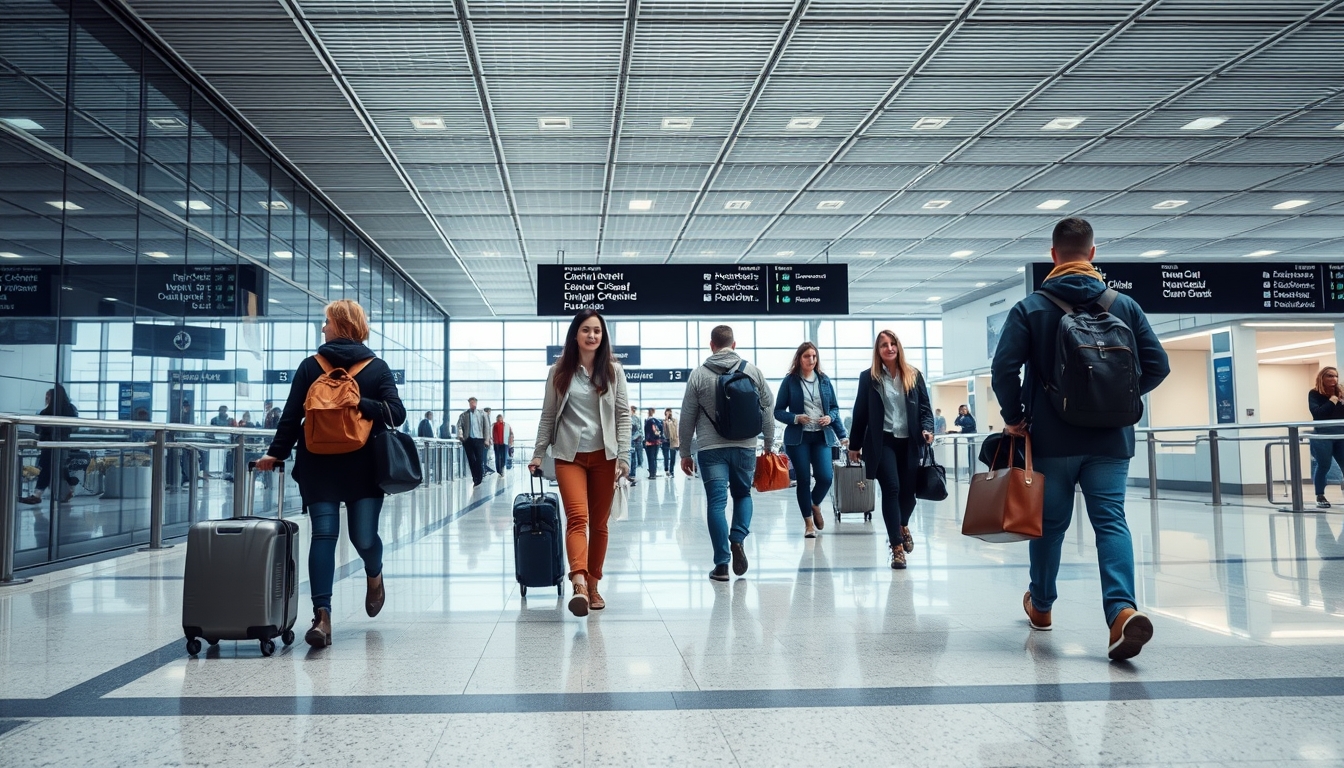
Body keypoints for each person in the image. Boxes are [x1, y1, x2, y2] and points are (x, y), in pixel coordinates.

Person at [991, 217, 1170, 660]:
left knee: (1050, 526)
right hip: (1111, 440)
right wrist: (1118, 399)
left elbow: (1003, 370)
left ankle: (1043, 605)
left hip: (1051, 439)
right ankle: (1121, 612)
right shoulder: (1123, 305)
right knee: (1110, 521)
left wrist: (1015, 417)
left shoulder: (1030, 308)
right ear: (1092, 254)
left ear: (1053, 256)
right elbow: (1158, 364)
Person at [256, 299, 406, 649]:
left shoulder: (376, 368)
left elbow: (396, 413)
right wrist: (275, 454)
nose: (323, 327)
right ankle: (321, 615)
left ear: (341, 324)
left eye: (327, 322)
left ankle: (374, 573)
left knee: (363, 538)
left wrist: (358, 403)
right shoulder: (310, 367)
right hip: (320, 465)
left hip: (363, 465)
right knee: (323, 534)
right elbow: (291, 416)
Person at [530, 309, 631, 617]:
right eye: (586, 330)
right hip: (568, 456)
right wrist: (537, 453)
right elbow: (548, 415)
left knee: (599, 524)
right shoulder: (559, 371)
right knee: (577, 518)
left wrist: (623, 457)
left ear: (603, 337)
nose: (592, 335)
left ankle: (594, 582)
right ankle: (579, 583)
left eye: (597, 331)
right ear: (575, 334)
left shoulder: (613, 371)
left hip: (605, 456)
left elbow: (624, 415)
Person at [679, 325, 775, 582]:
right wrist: (768, 442)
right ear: (734, 345)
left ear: (711, 345)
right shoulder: (752, 371)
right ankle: (738, 539)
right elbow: (767, 406)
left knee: (717, 503)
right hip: (745, 446)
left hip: (711, 450)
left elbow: (687, 415)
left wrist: (685, 452)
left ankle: (722, 565)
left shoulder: (699, 375)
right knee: (743, 494)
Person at [848, 330, 934, 569]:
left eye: (893, 343)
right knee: (892, 489)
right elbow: (860, 413)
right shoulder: (869, 378)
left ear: (898, 347)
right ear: (878, 350)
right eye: (884, 345)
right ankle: (896, 547)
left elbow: (926, 408)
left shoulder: (913, 375)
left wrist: (928, 429)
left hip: (910, 442)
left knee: (909, 494)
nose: (889, 347)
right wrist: (854, 445)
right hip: (882, 441)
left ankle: (902, 524)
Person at [775, 342, 846, 538]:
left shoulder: (824, 380)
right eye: (807, 356)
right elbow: (778, 411)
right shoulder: (789, 381)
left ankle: (814, 504)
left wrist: (832, 421)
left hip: (821, 435)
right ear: (799, 358)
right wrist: (796, 418)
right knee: (804, 479)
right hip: (799, 438)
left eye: (814, 356)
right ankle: (808, 524)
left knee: (825, 477)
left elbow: (834, 408)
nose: (811, 360)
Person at [19, 385, 80, 506]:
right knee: (58, 467)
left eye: (48, 396)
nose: (46, 398)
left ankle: (37, 494)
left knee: (46, 468)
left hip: (49, 444)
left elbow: (39, 428)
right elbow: (74, 427)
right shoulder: (70, 409)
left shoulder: (47, 411)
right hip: (63, 443)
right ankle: (69, 485)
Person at [1309, 366, 1344, 509]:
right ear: (1322, 377)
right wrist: (1333, 400)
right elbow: (1318, 414)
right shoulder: (1314, 394)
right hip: (1322, 435)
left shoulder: (1341, 392)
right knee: (1324, 464)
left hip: (1340, 434)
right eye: (1330, 376)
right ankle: (1320, 495)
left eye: (1335, 376)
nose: (1334, 379)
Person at [456, 397, 488, 486]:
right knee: (471, 460)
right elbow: (459, 426)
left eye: (474, 403)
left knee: (479, 459)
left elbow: (486, 427)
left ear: (476, 403)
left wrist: (486, 440)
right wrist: (460, 435)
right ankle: (475, 478)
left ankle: (479, 477)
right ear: (469, 404)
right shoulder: (464, 415)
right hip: (468, 440)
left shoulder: (482, 414)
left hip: (479, 439)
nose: (472, 404)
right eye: (471, 403)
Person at [643, 408, 664, 479]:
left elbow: (649, 432)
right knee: (654, 457)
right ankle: (654, 472)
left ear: (648, 412)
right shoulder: (658, 421)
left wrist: (646, 440)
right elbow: (660, 431)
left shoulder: (648, 421)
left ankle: (652, 474)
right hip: (657, 442)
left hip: (650, 442)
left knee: (650, 458)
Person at [662, 408, 679, 476]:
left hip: (673, 441)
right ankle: (666, 470)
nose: (669, 414)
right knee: (666, 457)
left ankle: (672, 471)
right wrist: (666, 418)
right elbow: (665, 431)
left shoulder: (675, 421)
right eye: (667, 413)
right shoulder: (664, 421)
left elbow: (674, 428)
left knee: (672, 457)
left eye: (670, 412)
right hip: (665, 441)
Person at [482, 408, 496, 475]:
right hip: (484, 441)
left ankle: (484, 468)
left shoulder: (487, 419)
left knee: (485, 455)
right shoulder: (484, 419)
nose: (490, 413)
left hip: (486, 440)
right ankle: (484, 468)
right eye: (489, 412)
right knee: (484, 455)